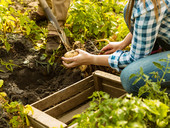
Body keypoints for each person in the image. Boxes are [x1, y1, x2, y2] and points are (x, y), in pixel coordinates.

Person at [61, 0, 170, 96]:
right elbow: (148, 22)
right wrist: (123, 43)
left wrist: (91, 59)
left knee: (131, 77)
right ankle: (154, 55)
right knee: (129, 9)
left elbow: (134, 59)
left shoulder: (149, 4)